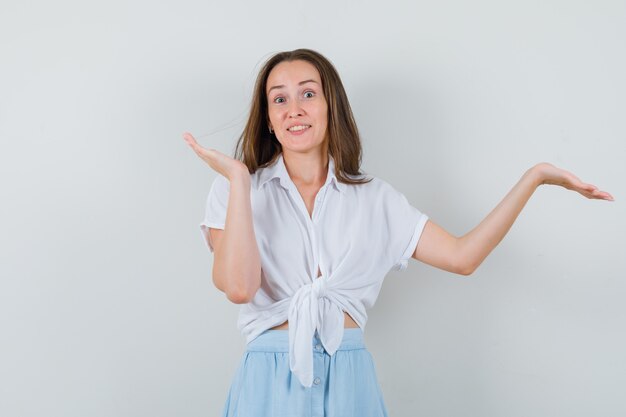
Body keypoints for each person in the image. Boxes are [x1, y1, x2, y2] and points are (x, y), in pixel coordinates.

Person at [181, 48, 613, 417]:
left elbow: (463, 257)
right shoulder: (237, 189)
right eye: (279, 99)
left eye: (308, 94)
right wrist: (238, 179)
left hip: (349, 376)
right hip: (267, 379)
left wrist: (533, 178)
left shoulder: (375, 199)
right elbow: (239, 287)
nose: (294, 108)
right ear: (269, 120)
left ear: (332, 106)